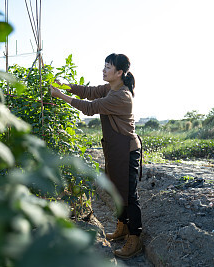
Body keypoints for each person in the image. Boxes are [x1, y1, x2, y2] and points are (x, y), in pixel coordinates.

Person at [50, 53, 143, 259]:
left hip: (126, 150)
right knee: (117, 190)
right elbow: (89, 92)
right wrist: (65, 85)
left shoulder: (121, 96)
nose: (103, 70)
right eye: (104, 66)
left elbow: (91, 107)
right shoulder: (111, 88)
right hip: (114, 148)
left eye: (108, 67)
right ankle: (122, 227)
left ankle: (135, 239)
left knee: (129, 194)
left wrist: (60, 95)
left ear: (119, 73)